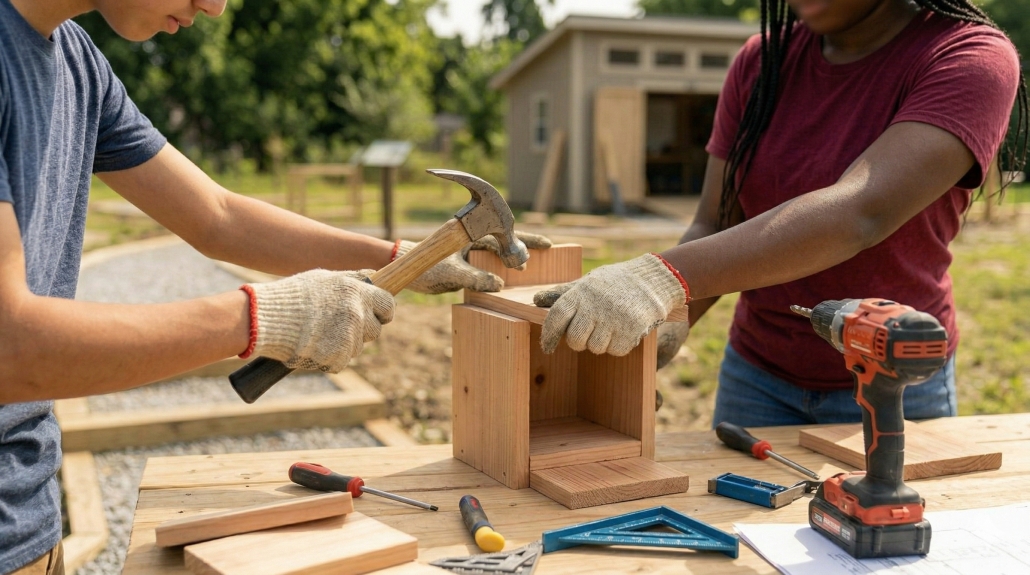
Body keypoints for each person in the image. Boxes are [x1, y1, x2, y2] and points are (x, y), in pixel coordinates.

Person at [0, 1, 547, 573]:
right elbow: (11, 347)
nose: (214, 7)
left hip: (32, 516)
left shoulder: (76, 62)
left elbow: (217, 216)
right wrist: (267, 317)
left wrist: (403, 259)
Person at [537, 0, 1024, 428]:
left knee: (880, 529)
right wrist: (670, 319)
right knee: (745, 532)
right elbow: (715, 220)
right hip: (757, 378)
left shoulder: (967, 56)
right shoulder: (761, 62)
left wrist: (657, 280)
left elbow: (861, 211)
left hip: (894, 379)